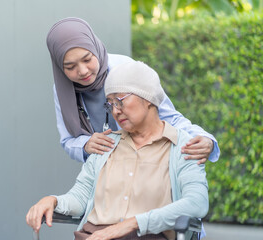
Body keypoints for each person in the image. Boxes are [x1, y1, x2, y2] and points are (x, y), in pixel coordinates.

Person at [26, 61, 209, 240]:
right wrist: (53, 201)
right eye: (110, 104)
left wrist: (130, 224)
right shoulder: (106, 144)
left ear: (148, 99)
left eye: (119, 101)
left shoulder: (182, 146)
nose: (115, 111)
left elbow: (196, 203)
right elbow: (81, 197)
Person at [46, 17, 220, 164]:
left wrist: (204, 139)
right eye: (70, 66)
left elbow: (168, 116)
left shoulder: (125, 68)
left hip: (149, 166)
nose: (82, 71)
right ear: (60, 69)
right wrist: (85, 145)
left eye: (87, 59)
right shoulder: (62, 89)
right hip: (106, 174)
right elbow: (68, 140)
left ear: (95, 49)